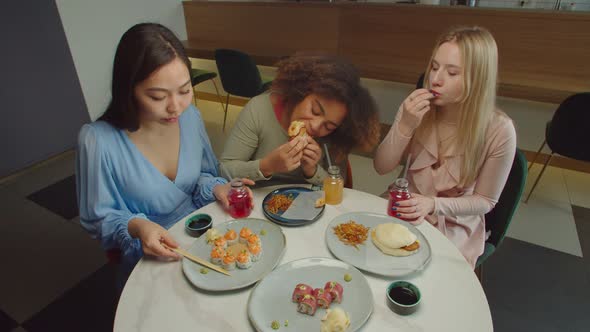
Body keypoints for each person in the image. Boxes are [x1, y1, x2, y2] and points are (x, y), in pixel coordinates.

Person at [75, 23, 253, 285]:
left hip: (203, 237)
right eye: (158, 97)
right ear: (129, 89)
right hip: (152, 256)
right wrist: (137, 226)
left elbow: (201, 175)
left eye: (185, 90)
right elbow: (98, 218)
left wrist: (217, 189)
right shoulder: (97, 140)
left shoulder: (190, 116)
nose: (176, 107)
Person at [373, 26, 517, 268]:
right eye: (434, 67)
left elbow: (485, 201)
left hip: (453, 220)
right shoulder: (416, 108)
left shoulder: (500, 130)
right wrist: (405, 125)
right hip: (405, 206)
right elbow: (381, 166)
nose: (436, 79)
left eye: (452, 73)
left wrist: (433, 204)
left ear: (478, 79)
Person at [219, 54, 380, 187]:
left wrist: (312, 170)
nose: (316, 127)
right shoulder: (259, 109)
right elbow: (224, 169)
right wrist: (267, 166)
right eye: (315, 110)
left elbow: (338, 186)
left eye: (328, 126)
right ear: (300, 92)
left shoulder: (335, 135)